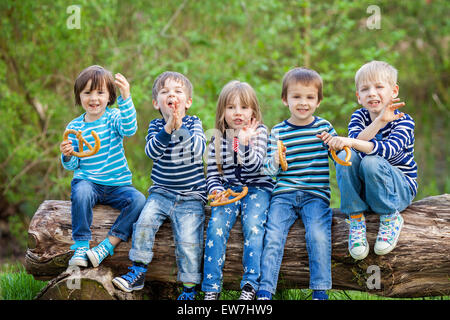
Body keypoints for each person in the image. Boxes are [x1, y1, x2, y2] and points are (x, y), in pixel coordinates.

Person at [112, 71, 207, 300]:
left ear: (188, 102)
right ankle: (138, 271)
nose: (171, 96)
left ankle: (189, 289)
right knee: (143, 223)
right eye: (165, 92)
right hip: (161, 193)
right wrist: (167, 130)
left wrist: (180, 128)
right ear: (157, 103)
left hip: (191, 196)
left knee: (188, 240)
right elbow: (152, 152)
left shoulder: (194, 123)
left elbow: (199, 151)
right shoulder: (156, 126)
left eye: (177, 92)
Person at [317, 60, 417, 261]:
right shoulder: (359, 117)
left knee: (372, 161)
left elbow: (386, 152)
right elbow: (356, 144)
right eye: (365, 89)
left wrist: (354, 139)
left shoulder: (404, 121)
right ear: (359, 97)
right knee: (347, 156)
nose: (372, 93)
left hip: (399, 190)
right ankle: (355, 217)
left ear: (394, 91)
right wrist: (377, 122)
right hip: (369, 189)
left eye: (379, 87)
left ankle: (390, 217)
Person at [256, 67, 336, 301]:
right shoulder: (279, 132)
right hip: (284, 195)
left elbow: (339, 159)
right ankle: (265, 290)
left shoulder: (324, 128)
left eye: (310, 97)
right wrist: (274, 159)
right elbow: (268, 172)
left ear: (318, 101)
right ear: (285, 99)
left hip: (315, 194)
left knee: (317, 235)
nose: (303, 103)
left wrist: (336, 145)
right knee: (272, 235)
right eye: (297, 97)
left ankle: (320, 290)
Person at [60, 65, 146, 268]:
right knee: (80, 191)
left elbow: (130, 129)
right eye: (87, 92)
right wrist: (67, 155)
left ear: (109, 97)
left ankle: (107, 245)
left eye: (100, 92)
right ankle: (81, 245)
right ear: (79, 96)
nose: (94, 98)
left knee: (139, 201)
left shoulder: (114, 117)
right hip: (89, 181)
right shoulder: (75, 127)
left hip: (117, 184)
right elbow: (74, 164)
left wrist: (126, 97)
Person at [201, 81, 274, 300]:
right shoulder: (217, 138)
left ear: (253, 110)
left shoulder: (260, 132)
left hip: (257, 188)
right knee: (215, 227)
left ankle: (250, 285)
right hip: (229, 189)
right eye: (231, 107)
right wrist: (215, 190)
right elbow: (213, 173)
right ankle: (211, 287)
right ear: (222, 112)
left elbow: (256, 166)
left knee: (253, 226)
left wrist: (243, 144)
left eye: (243, 107)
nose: (237, 113)